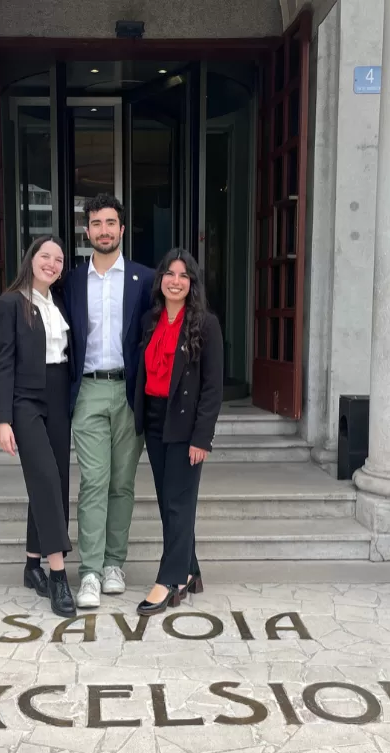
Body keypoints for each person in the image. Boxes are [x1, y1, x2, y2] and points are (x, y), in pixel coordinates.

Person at [63, 194, 154, 609]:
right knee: (95, 482)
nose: (104, 230)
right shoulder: (71, 280)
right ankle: (90, 572)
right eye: (96, 223)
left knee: (122, 483)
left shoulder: (145, 279)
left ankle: (116, 563)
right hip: (88, 391)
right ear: (87, 232)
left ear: (121, 228)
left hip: (129, 391)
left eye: (110, 223)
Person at [133, 248, 223, 616]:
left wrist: (202, 437)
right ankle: (191, 569)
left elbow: (212, 388)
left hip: (186, 426)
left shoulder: (205, 324)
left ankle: (169, 580)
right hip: (155, 421)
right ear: (161, 279)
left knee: (178, 502)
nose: (175, 280)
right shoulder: (150, 321)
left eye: (183, 276)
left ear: (192, 284)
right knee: (169, 501)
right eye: (170, 273)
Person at [0, 236, 76, 618]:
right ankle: (58, 575)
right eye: (46, 256)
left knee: (55, 479)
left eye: (59, 259)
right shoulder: (10, 303)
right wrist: (3, 419)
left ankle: (31, 565)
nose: (53, 263)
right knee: (43, 477)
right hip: (25, 400)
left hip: (58, 396)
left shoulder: (58, 303)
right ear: (31, 259)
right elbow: (4, 363)